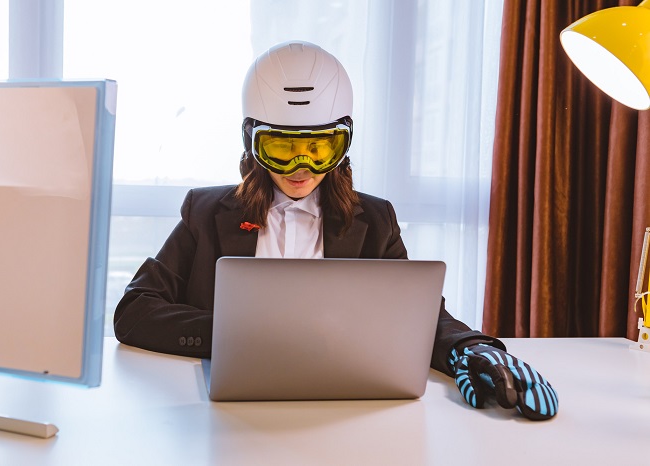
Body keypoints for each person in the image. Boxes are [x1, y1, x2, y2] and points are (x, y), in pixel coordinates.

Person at [114, 41, 558, 420]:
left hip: (346, 410)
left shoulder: (376, 220)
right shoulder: (205, 211)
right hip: (222, 413)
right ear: (252, 141)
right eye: (282, 148)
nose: (301, 168)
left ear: (343, 144)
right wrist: (242, 336)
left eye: (319, 148)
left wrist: (473, 348)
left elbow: (420, 316)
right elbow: (134, 311)